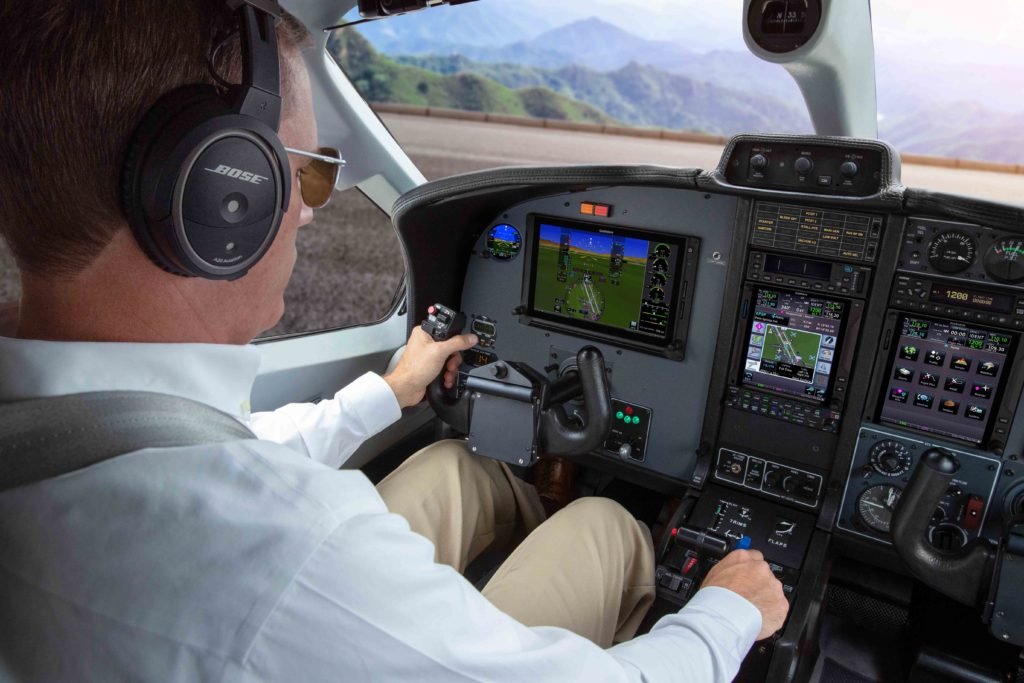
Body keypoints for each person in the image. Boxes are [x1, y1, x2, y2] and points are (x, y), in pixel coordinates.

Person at [0, 2, 788, 681]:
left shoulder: (83, 430)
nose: (312, 210)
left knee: (455, 465)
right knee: (606, 527)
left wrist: (389, 388)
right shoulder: (283, 547)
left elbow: (213, 448)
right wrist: (722, 614)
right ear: (222, 195)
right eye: (306, 173)